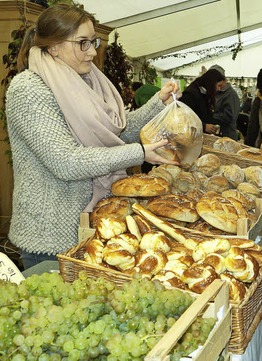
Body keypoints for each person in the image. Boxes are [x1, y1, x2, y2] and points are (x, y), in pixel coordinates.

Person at [5, 3, 180, 270]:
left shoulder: (85, 80)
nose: (93, 51)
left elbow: (114, 133)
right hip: (51, 239)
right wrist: (140, 153)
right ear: (53, 46)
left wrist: (157, 103)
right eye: (82, 43)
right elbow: (67, 162)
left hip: (95, 225)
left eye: (94, 41)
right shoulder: (29, 89)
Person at [179, 67, 225, 134]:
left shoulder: (204, 93)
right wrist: (204, 126)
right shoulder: (190, 94)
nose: (219, 89)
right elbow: (183, 118)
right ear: (211, 83)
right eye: (218, 86)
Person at [209, 64, 240, 139]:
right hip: (216, 135)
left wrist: (211, 115)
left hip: (227, 137)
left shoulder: (230, 95)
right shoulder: (216, 92)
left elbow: (230, 117)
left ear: (223, 80)